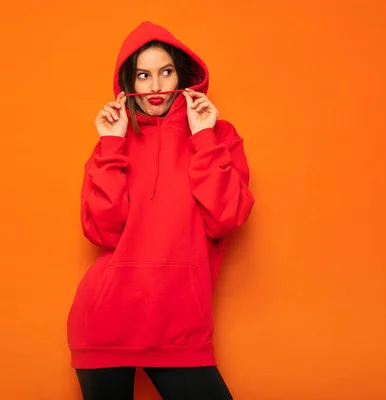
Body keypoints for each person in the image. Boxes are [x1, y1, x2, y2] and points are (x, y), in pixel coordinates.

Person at [67, 21, 255, 400]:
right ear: (128, 84)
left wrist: (203, 136)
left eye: (165, 72)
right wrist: (110, 147)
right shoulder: (112, 143)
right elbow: (103, 232)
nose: (155, 87)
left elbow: (226, 217)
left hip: (180, 323)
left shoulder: (218, 136)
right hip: (105, 322)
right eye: (143, 75)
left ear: (183, 77)